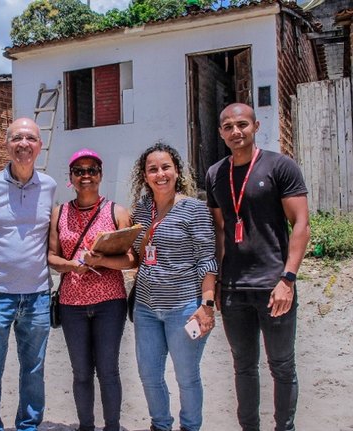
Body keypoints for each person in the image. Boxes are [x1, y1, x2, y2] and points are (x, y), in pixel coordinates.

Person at [205, 103, 310, 431]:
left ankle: (284, 428)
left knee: (281, 365)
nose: (236, 132)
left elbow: (301, 224)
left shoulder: (280, 166)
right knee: (244, 367)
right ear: (221, 132)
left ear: (255, 126)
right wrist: (219, 282)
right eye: (228, 127)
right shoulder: (215, 174)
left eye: (242, 125)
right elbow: (220, 230)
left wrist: (288, 279)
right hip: (235, 290)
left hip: (273, 286)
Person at [0, 117, 57, 431]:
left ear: (39, 146)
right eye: (17, 138)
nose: (24, 145)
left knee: (34, 369)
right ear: (6, 145)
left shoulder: (49, 186)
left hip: (37, 297)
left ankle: (28, 425)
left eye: (30, 138)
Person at [129, 142, 218, 431]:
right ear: (145, 176)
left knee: (186, 376)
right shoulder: (142, 210)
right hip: (145, 308)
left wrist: (206, 306)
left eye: (166, 167)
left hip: (184, 308)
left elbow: (207, 260)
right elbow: (135, 254)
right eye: (152, 169)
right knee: (149, 374)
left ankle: (190, 427)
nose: (160, 174)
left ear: (177, 171)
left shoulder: (194, 209)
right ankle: (160, 425)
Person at [47, 149, 135, 431]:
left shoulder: (117, 212)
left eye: (92, 170)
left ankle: (112, 426)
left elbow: (132, 258)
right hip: (71, 303)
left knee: (108, 370)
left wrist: (103, 260)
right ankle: (86, 426)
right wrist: (72, 265)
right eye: (79, 171)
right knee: (81, 372)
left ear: (100, 175)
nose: (86, 176)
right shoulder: (59, 213)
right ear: (70, 177)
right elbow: (51, 256)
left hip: (110, 301)